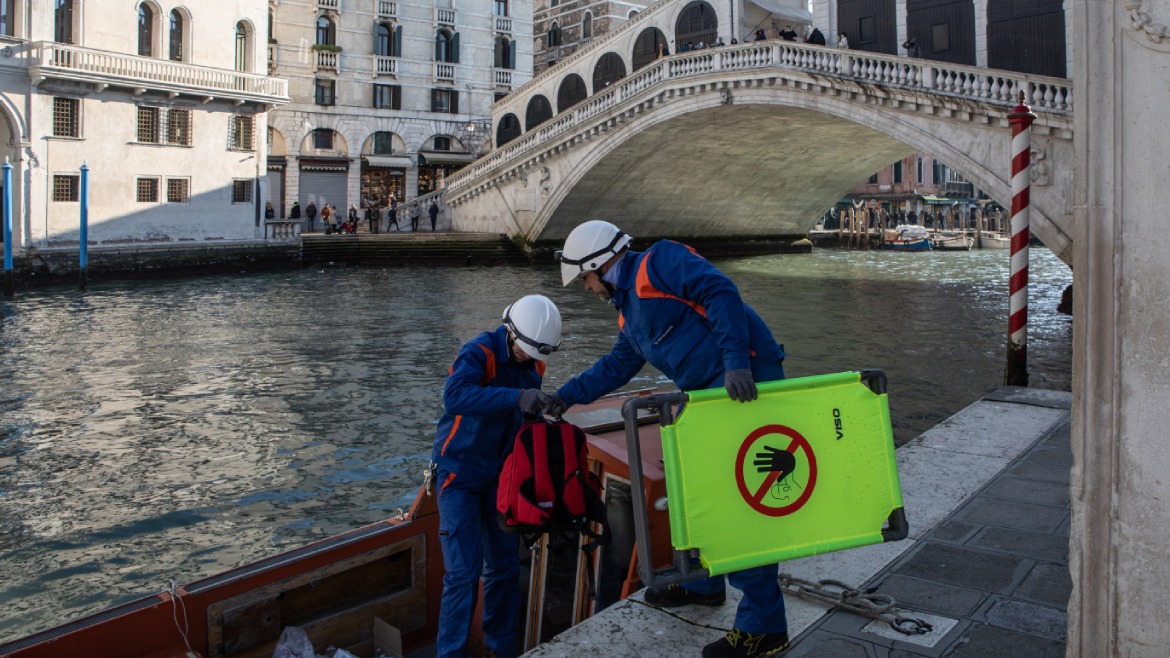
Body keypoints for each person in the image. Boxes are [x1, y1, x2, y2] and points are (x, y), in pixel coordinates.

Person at [546, 220, 789, 658]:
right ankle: (704, 583)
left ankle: (764, 627)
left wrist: (737, 364)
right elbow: (615, 367)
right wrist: (564, 398)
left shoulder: (659, 262)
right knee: (694, 493)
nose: (586, 288)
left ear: (599, 265)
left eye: (584, 278)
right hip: (709, 396)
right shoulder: (630, 315)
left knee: (736, 506)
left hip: (746, 384)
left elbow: (720, 292)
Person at [430, 294, 562, 658]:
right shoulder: (478, 352)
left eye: (537, 355)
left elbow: (524, 414)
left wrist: (542, 410)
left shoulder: (534, 363)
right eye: (526, 351)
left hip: (500, 477)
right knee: (463, 574)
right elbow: (455, 397)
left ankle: (500, 649)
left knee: (504, 567)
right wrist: (517, 398)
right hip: (460, 474)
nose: (531, 359)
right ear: (510, 334)